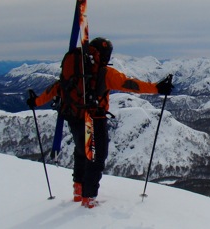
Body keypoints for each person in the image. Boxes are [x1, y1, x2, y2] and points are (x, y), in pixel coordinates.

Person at [26, 37, 173, 208]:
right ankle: (89, 197)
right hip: (93, 119)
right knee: (97, 156)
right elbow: (131, 84)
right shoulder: (104, 73)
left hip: (74, 116)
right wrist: (157, 88)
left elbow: (56, 88)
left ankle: (78, 189)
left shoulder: (75, 72)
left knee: (81, 150)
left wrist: (36, 102)